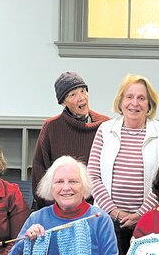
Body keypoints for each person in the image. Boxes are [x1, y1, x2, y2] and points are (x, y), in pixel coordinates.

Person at [88, 74, 159, 255]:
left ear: (149, 105)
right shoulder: (104, 130)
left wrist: (140, 214)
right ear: (120, 102)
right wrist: (114, 212)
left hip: (149, 222)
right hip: (107, 219)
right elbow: (93, 176)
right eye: (129, 97)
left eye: (141, 98)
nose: (134, 103)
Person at [4, 156, 119, 255]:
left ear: (84, 186)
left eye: (73, 181)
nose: (66, 188)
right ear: (50, 187)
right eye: (59, 182)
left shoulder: (100, 220)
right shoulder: (36, 218)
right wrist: (25, 244)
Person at [31, 71, 109, 209]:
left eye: (83, 91)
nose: (81, 98)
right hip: (59, 207)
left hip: (98, 208)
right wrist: (60, 208)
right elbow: (39, 173)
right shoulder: (51, 127)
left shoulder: (106, 125)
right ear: (63, 103)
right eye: (73, 95)